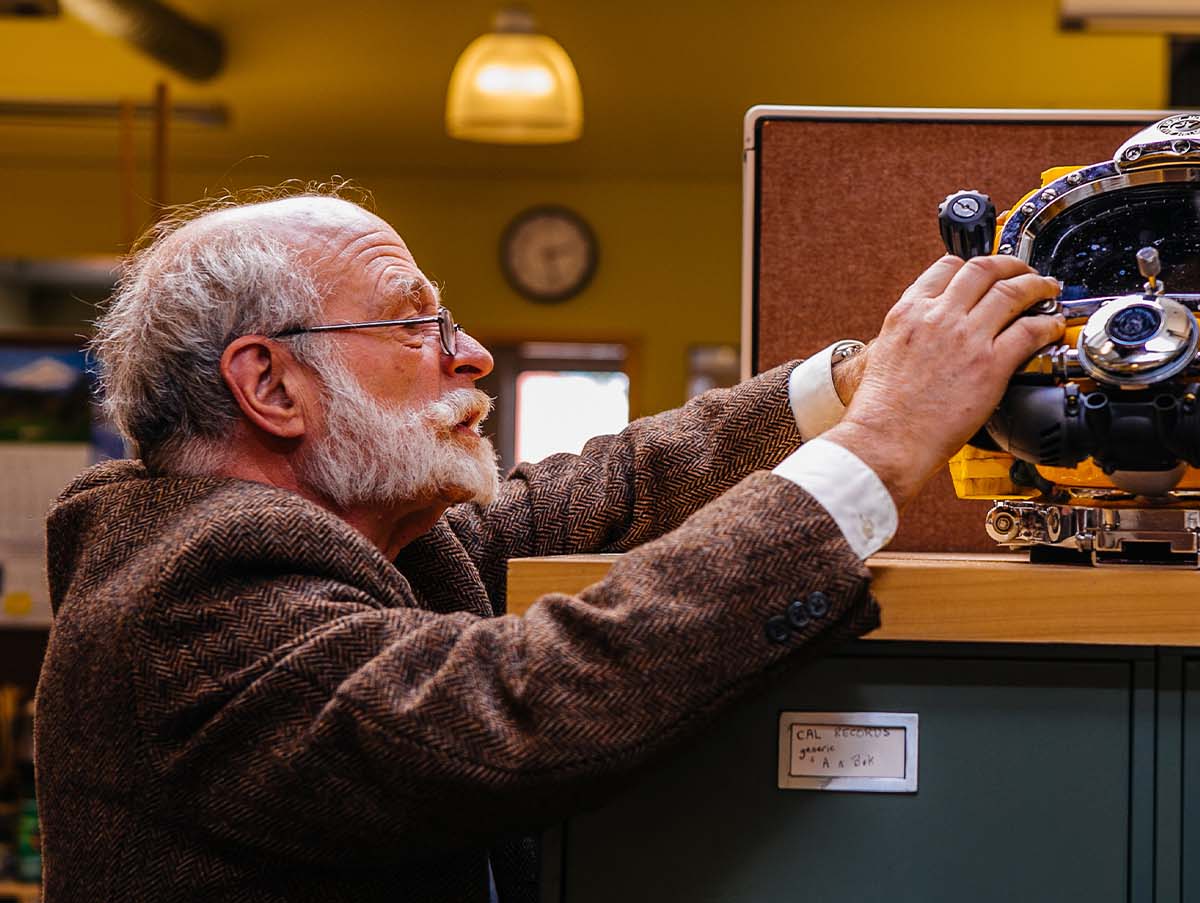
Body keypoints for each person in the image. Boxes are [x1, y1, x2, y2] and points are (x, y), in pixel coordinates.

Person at [35, 186, 1063, 902]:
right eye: (414, 326)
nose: (469, 352)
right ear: (269, 386)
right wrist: (880, 445)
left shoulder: (357, 544)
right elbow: (518, 704)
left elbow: (604, 491)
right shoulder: (194, 593)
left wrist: (858, 377)